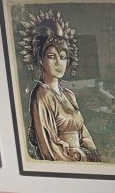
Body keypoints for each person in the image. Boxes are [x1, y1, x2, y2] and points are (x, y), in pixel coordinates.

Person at [18, 9, 99, 162]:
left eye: (62, 57)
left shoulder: (69, 94)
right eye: (51, 56)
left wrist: (90, 153)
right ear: (40, 59)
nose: (58, 63)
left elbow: (84, 134)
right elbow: (48, 148)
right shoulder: (41, 95)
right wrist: (79, 156)